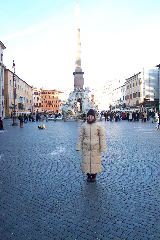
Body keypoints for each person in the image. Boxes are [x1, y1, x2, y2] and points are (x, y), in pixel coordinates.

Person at [76, 109, 107, 182]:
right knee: (86, 162)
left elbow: (102, 137)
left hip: (95, 148)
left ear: (94, 117)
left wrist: (103, 147)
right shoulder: (83, 126)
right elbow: (80, 136)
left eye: (91, 116)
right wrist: (78, 146)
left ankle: (94, 176)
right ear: (87, 117)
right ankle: (88, 175)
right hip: (86, 147)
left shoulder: (98, 126)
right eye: (89, 116)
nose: (90, 118)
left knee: (95, 162)